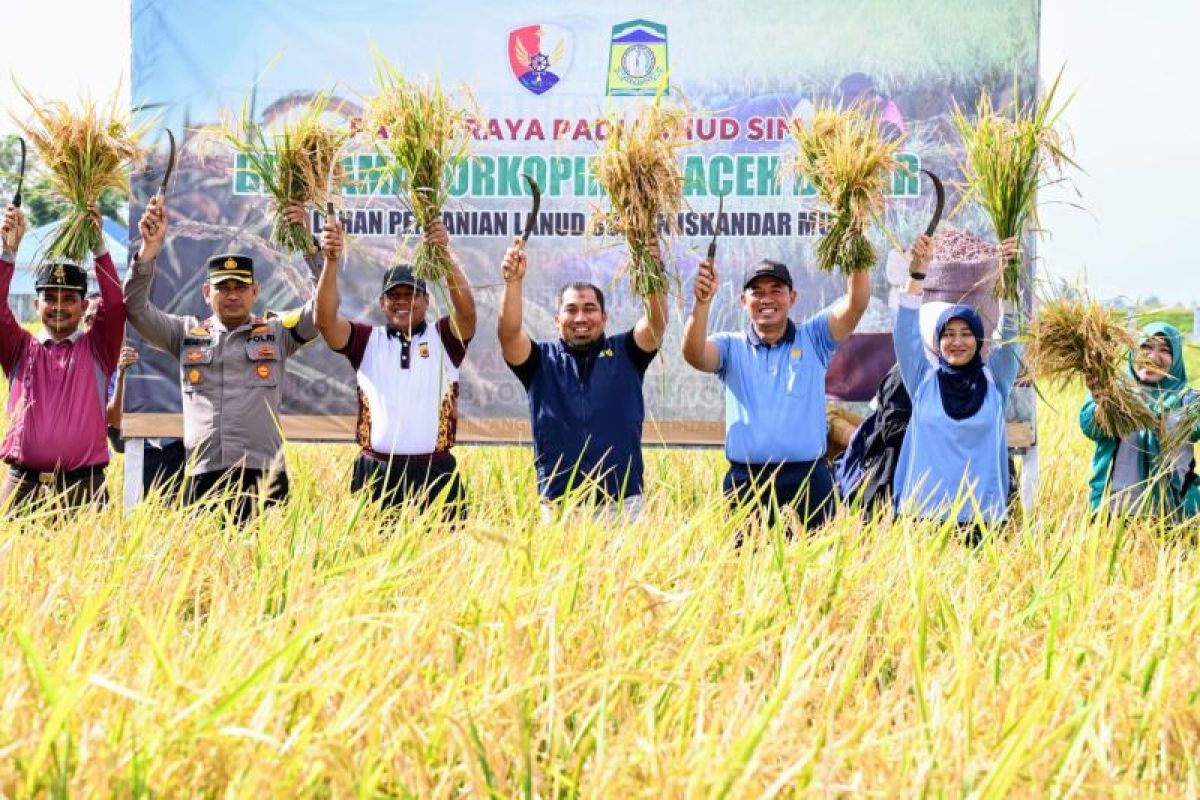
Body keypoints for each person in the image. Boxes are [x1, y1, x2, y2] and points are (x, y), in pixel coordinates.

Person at [124, 196, 320, 524]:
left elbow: (321, 313)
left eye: (240, 287)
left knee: (268, 569)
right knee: (202, 573)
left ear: (255, 291)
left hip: (264, 478)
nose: (232, 294)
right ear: (206, 293)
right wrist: (148, 251)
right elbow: (136, 309)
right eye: (223, 287)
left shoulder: (277, 332)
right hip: (203, 478)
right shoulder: (185, 334)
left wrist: (313, 251)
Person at [681, 255, 870, 531]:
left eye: (776, 291)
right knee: (744, 571)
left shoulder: (814, 337)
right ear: (743, 301)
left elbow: (855, 305)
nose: (766, 299)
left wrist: (856, 249)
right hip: (746, 484)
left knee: (814, 571)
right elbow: (694, 354)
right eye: (757, 292)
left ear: (792, 297)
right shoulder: (731, 347)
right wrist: (702, 303)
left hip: (808, 482)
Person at [313, 215, 475, 515]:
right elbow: (324, 321)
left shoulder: (445, 339)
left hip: (435, 472)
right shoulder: (365, 340)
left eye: (411, 294)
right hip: (376, 472)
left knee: (447, 558)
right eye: (394, 296)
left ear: (426, 301)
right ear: (381, 303)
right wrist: (331, 261)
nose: (403, 301)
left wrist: (444, 254)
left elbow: (467, 314)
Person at [497, 238, 668, 518]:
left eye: (589, 308)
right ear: (557, 319)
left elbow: (657, 322)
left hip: (623, 502)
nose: (580, 317)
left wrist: (653, 268)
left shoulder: (626, 353)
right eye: (571, 309)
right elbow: (509, 335)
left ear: (604, 317)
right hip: (560, 503)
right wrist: (512, 282)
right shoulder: (540, 361)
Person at [892, 234, 1020, 534]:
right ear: (938, 341)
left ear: (979, 339)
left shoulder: (995, 381)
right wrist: (918, 273)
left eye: (966, 333)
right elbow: (904, 331)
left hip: (983, 520)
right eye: (948, 334)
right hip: (923, 517)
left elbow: (1013, 330)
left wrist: (1009, 273)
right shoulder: (923, 381)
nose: (957, 341)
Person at [0, 203, 124, 509]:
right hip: (22, 487)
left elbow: (116, 306)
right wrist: (8, 253)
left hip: (86, 488)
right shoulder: (20, 348)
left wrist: (98, 247)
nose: (58, 306)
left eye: (69, 298)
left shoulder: (98, 348)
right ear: (35, 305)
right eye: (49, 298)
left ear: (84, 307)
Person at [1081, 322, 1200, 518]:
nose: (1153, 356)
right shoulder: (1112, 393)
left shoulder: (1189, 400)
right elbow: (1091, 427)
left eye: (1164, 349)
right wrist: (1103, 405)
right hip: (1114, 511)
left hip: (1175, 513)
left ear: (1176, 358)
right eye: (1145, 347)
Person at [103, 343, 188, 496]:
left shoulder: (169, 350)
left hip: (180, 449)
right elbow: (115, 420)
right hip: (140, 454)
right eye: (88, 320)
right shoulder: (109, 366)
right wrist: (122, 375)